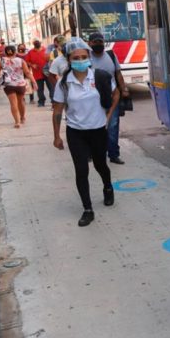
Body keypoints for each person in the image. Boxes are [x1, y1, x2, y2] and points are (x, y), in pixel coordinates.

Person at [51, 37, 119, 227]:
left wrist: (109, 115)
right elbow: (57, 110)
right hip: (76, 133)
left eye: (83, 56)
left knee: (100, 165)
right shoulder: (64, 83)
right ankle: (87, 209)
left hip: (98, 130)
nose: (80, 60)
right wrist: (56, 136)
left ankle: (107, 186)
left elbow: (116, 94)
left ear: (88, 56)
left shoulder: (100, 77)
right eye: (76, 58)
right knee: (81, 169)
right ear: (69, 60)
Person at [88, 32, 129, 165]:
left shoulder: (111, 55)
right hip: (92, 98)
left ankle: (113, 154)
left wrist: (124, 89)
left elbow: (118, 74)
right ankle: (93, 153)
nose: (98, 44)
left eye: (100, 42)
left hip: (112, 97)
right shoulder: (86, 57)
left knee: (112, 126)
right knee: (93, 127)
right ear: (90, 43)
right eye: (95, 42)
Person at [0, 44, 37, 128]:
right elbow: (27, 73)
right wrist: (34, 82)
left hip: (8, 85)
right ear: (15, 52)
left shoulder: (0, 61)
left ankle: (17, 122)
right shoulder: (21, 61)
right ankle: (22, 117)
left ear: (5, 53)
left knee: (13, 103)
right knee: (21, 102)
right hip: (20, 85)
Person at [25, 40, 49, 107]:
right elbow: (27, 61)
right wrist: (32, 65)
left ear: (40, 43)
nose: (37, 44)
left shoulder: (46, 50)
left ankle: (53, 102)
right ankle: (41, 102)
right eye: (35, 43)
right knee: (39, 89)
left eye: (38, 42)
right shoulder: (30, 52)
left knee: (51, 87)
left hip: (47, 72)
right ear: (34, 44)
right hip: (37, 73)